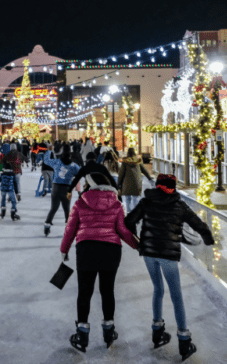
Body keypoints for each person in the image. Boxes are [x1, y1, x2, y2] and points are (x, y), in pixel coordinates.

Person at [124, 174, 214, 360]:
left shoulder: (146, 201)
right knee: (176, 295)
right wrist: (208, 239)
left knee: (158, 289)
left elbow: (129, 221)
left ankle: (157, 332)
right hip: (167, 255)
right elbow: (198, 224)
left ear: (157, 186)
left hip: (149, 254)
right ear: (173, 188)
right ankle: (184, 340)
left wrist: (139, 242)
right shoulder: (179, 205)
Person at [61, 173, 139, 352]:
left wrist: (64, 249)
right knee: (107, 290)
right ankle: (109, 332)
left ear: (90, 185)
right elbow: (122, 230)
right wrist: (137, 245)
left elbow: (70, 228)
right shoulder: (117, 203)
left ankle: (82, 335)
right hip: (111, 250)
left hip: (86, 249)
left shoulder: (80, 202)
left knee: (85, 291)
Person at [43, 144, 81, 236]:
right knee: (67, 210)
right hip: (67, 189)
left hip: (55, 187)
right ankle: (68, 229)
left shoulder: (57, 162)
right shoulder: (74, 166)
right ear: (70, 155)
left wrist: (48, 150)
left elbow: (46, 160)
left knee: (54, 208)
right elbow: (81, 174)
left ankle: (47, 225)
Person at [118, 147, 153, 213]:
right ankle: (134, 212)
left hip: (126, 183)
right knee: (135, 198)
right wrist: (150, 179)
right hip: (137, 183)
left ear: (128, 153)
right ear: (134, 153)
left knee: (127, 198)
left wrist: (119, 183)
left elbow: (121, 174)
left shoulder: (125, 162)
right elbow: (145, 171)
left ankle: (128, 211)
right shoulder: (138, 161)